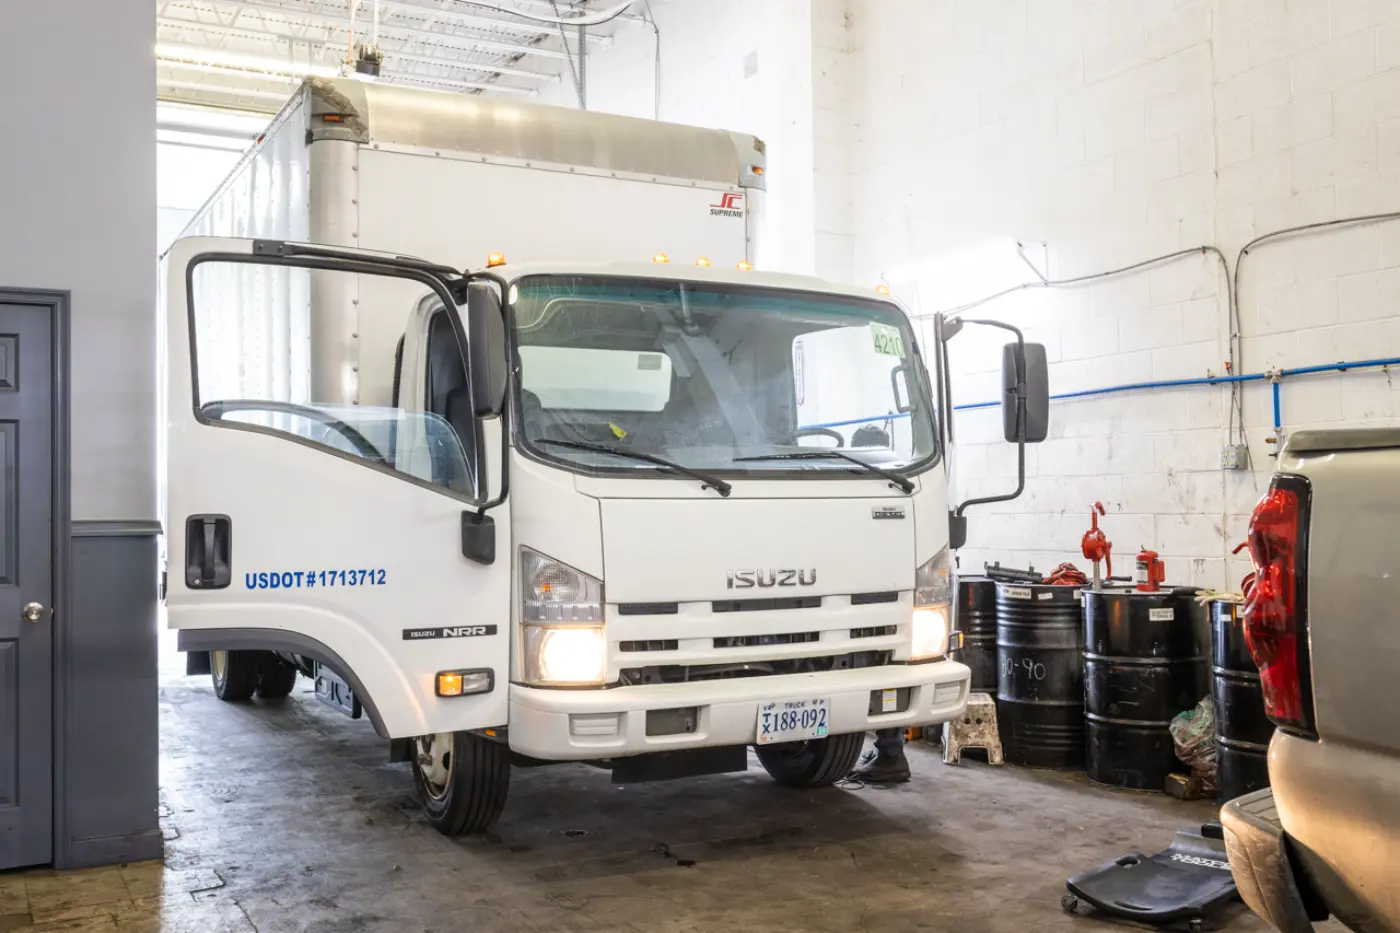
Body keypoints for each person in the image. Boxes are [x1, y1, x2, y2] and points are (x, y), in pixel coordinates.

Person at [845, 421, 913, 784]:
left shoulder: (862, 489)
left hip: (868, 607)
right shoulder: (898, 486)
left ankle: (891, 755)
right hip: (886, 607)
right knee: (886, 675)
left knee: (879, 678)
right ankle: (889, 750)